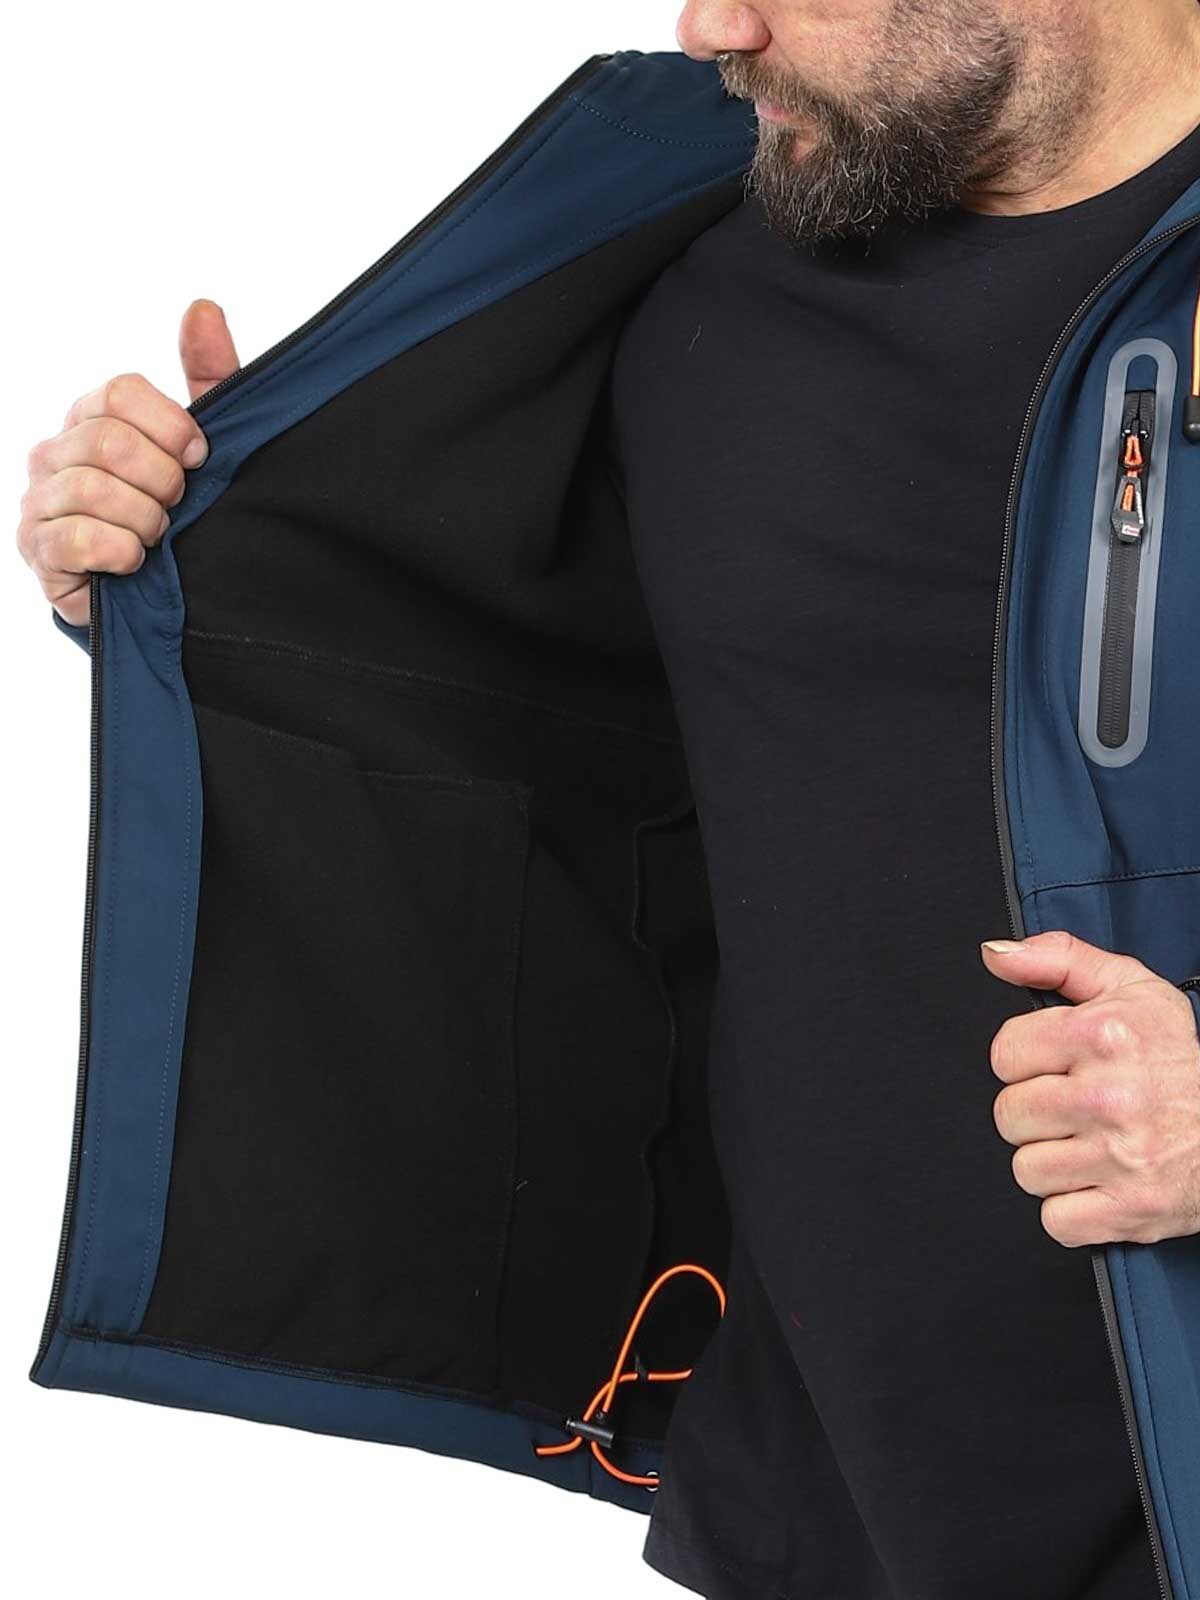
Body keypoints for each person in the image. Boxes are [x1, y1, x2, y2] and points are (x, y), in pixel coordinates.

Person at [16, 4, 1200, 1597]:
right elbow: (528, 707)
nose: (714, 25)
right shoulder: (693, 261)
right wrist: (201, 567)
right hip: (823, 1519)